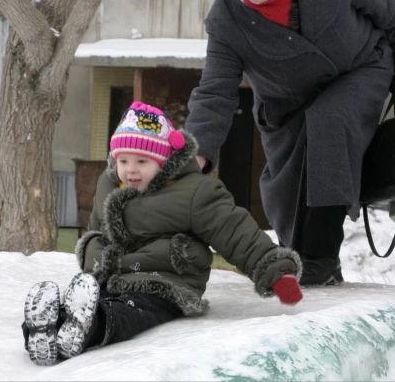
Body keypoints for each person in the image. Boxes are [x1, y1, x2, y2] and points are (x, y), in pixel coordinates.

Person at [185, 0, 395, 286]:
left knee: (330, 120)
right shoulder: (226, 18)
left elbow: (387, 11)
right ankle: (311, 265)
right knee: (289, 200)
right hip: (288, 105)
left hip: (362, 68)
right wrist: (197, 152)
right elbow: (214, 92)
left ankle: (322, 258)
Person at [22, 101, 304, 366]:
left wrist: (275, 271)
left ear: (164, 161)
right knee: (93, 299)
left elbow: (235, 231)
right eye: (124, 161)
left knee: (130, 310)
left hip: (166, 283)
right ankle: (43, 330)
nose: (130, 170)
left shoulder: (194, 192)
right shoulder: (109, 186)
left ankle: (89, 329)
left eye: (142, 162)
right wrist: (96, 253)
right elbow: (96, 231)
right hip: (114, 277)